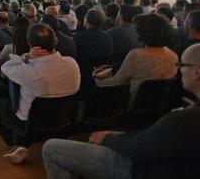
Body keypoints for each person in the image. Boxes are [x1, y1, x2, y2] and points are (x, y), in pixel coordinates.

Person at [42, 43, 200, 179]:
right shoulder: (171, 56)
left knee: (50, 148)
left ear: (196, 72)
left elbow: (141, 149)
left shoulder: (187, 118)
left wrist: (108, 139)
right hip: (149, 137)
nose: (179, 70)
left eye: (181, 66)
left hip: (140, 168)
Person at [0, 24, 80, 164]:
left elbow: (5, 67)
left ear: (30, 44)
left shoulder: (28, 71)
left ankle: (17, 141)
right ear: (55, 40)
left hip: (29, 122)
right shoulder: (72, 64)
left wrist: (26, 56)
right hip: (62, 118)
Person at [94, 13, 178, 109]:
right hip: (161, 107)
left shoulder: (137, 55)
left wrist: (96, 78)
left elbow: (116, 82)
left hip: (134, 106)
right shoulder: (173, 55)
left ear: (142, 33)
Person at [73, 9, 113, 91]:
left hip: (82, 75)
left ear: (86, 20)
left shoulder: (78, 37)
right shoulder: (108, 36)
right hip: (102, 74)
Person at [107, 5, 142, 73]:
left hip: (115, 69)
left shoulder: (110, 33)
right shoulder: (140, 32)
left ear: (121, 16)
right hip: (135, 68)